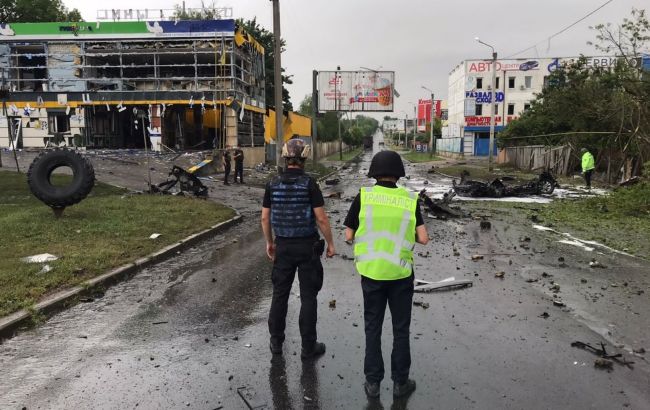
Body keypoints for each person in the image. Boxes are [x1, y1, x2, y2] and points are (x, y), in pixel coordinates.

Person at [344, 150, 429, 399]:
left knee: (373, 328)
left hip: (371, 275)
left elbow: (349, 235)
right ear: (398, 174)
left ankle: (373, 383)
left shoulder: (365, 196)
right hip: (401, 275)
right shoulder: (409, 199)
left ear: (374, 174)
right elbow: (423, 238)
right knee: (401, 329)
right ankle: (400, 382)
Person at [261, 139, 336, 360]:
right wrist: (331, 243)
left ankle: (276, 343)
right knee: (308, 297)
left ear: (285, 158)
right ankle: (308, 347)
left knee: (279, 295)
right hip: (307, 247)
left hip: (283, 246)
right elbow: (321, 219)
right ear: (304, 158)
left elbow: (265, 217)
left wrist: (270, 242)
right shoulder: (309, 184)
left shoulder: (272, 183)